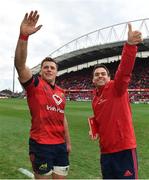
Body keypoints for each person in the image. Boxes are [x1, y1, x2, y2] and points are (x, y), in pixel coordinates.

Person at [14, 10, 71, 179]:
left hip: (60, 146)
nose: (49, 69)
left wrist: (67, 142)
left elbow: (62, 117)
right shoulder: (35, 84)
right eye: (45, 67)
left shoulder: (61, 92)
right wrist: (23, 37)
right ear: (41, 70)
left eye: (52, 68)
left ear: (57, 72)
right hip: (41, 145)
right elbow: (20, 64)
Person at [90, 24, 143, 179]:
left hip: (124, 149)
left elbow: (124, 71)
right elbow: (100, 120)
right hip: (105, 152)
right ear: (93, 80)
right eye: (96, 74)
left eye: (103, 74)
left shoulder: (116, 88)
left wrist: (130, 47)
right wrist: (94, 129)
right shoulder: (95, 100)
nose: (100, 76)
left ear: (109, 77)